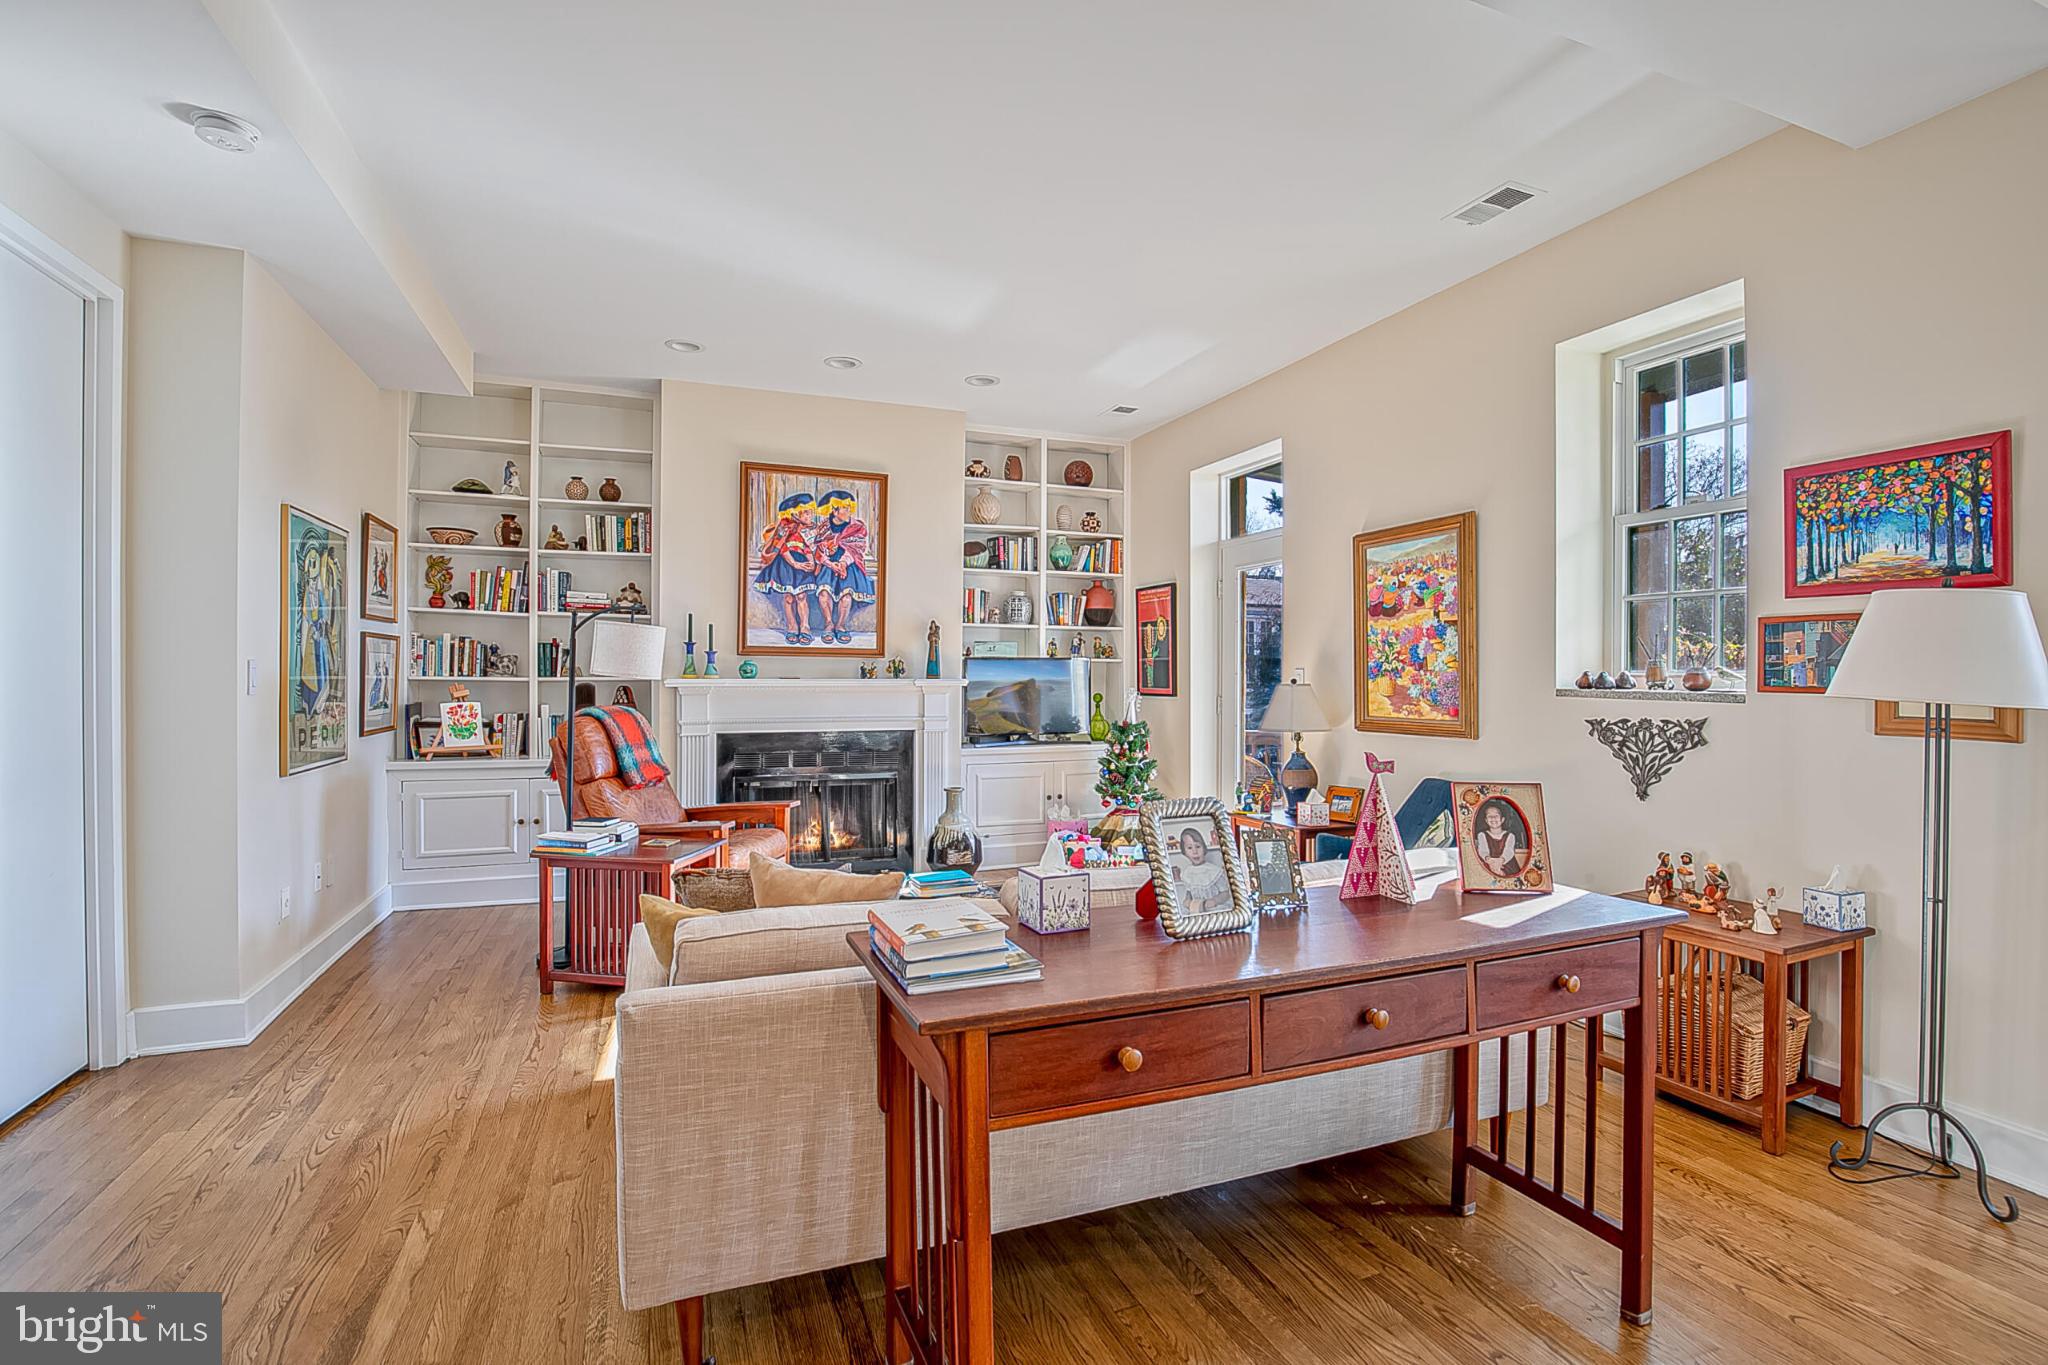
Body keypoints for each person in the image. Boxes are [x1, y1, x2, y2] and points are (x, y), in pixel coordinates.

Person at [754, 491, 820, 644]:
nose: (809, 518)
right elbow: (781, 547)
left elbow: (808, 548)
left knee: (802, 596)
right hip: (786, 564)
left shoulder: (810, 529)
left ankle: (805, 626)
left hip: (802, 564)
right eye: (806, 514)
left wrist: (811, 562)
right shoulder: (785, 526)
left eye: (810, 514)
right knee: (789, 597)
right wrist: (794, 563)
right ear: (796, 514)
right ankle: (792, 626)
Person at [811, 488, 875, 645]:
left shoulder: (857, 526)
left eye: (849, 508)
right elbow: (816, 549)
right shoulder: (823, 527)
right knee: (823, 593)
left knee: (846, 596)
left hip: (849, 564)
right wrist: (830, 564)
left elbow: (858, 548)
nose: (848, 511)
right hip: (828, 564)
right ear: (834, 510)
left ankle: (840, 625)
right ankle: (828, 624)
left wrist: (843, 563)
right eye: (844, 508)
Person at [1172, 826, 1231, 913]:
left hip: (1214, 910)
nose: (1195, 851)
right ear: (1184, 852)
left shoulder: (1214, 871)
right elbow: (1190, 891)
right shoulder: (1187, 873)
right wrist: (1187, 900)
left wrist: (1215, 900)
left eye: (1198, 846)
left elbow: (1225, 893)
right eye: (1189, 848)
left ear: (1204, 848)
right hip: (1197, 910)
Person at [1474, 800, 1523, 880]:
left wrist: (1500, 861)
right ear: (1486, 820)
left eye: (1496, 816)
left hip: (1506, 864)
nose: (1493, 818)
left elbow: (1509, 851)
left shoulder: (1510, 836)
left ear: (1502, 819)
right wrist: (1490, 861)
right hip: (1489, 862)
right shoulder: (1482, 835)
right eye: (1490, 816)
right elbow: (1483, 850)